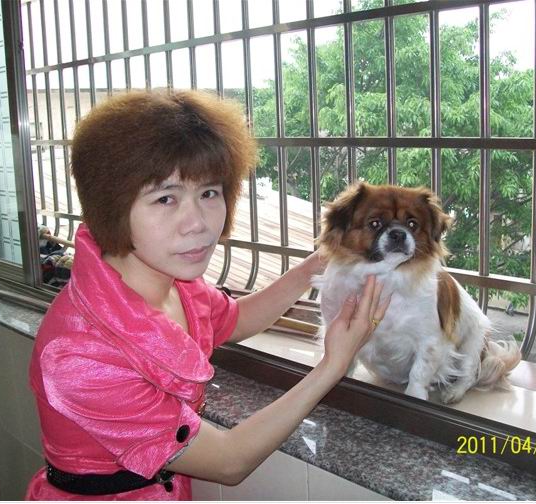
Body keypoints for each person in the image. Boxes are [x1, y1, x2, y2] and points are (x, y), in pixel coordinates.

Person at [26, 89, 391, 500]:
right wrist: (333, 364)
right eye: (165, 198)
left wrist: (313, 267)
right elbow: (228, 462)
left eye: (209, 193)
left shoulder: (172, 282)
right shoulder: (79, 353)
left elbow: (234, 319)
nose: (197, 223)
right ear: (111, 206)